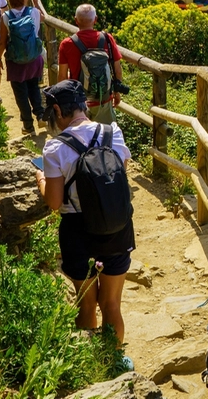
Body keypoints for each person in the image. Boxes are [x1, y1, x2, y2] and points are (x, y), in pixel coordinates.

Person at [35, 80, 133, 349]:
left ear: (57, 109)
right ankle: (114, 362)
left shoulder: (54, 148)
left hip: (78, 231)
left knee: (86, 304)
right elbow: (119, 174)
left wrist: (41, 179)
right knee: (112, 303)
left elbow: (54, 202)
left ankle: (93, 365)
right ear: (83, 106)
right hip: (116, 225)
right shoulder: (113, 132)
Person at [57, 4, 125, 124]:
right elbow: (117, 69)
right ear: (95, 19)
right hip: (103, 100)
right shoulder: (107, 38)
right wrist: (116, 92)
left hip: (79, 102)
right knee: (105, 137)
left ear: (76, 20)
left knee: (83, 139)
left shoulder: (67, 44)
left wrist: (62, 102)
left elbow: (62, 77)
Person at [0, 0, 46, 134]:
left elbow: (2, 41)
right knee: (34, 87)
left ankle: (28, 125)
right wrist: (36, 2)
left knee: (20, 93)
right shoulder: (34, 13)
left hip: (16, 61)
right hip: (34, 58)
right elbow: (45, 18)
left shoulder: (5, 17)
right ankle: (40, 115)